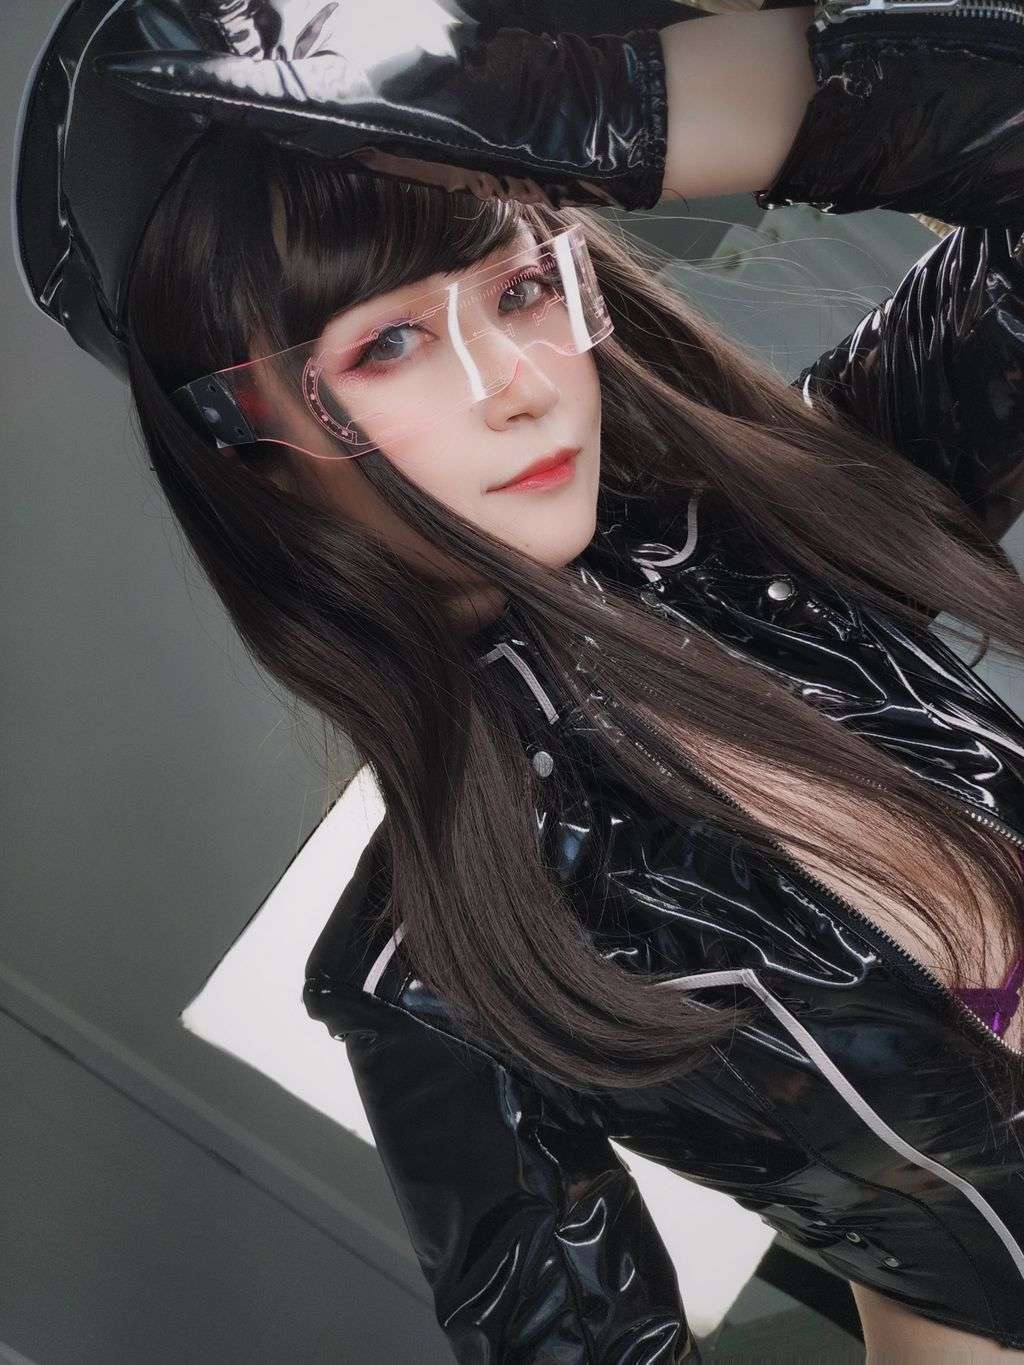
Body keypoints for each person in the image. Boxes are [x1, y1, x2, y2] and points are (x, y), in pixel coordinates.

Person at [13, 1, 1024, 1359]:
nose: (518, 386)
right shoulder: (429, 978)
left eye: (519, 289)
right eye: (385, 345)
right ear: (243, 439)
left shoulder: (786, 521)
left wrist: (607, 105)